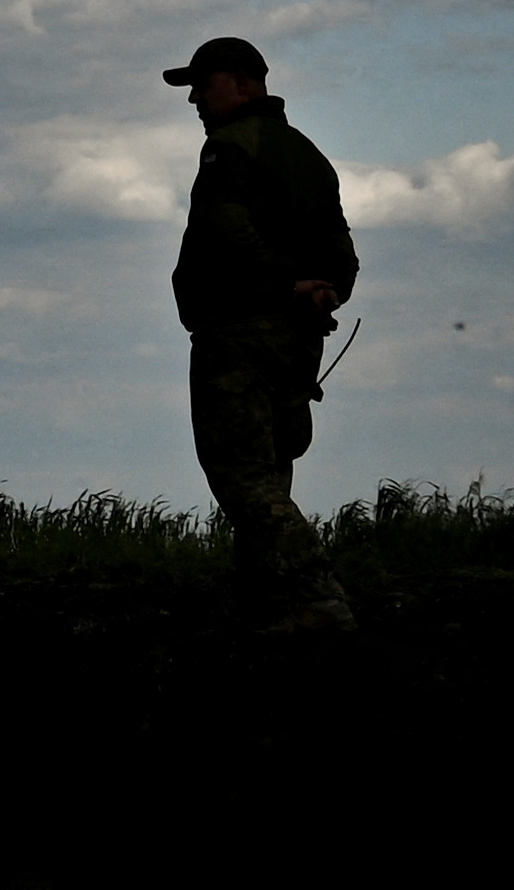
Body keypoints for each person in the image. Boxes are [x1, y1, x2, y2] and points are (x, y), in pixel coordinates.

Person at [165, 35, 359, 632]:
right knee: (271, 468)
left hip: (240, 333)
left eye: (204, 84)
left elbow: (228, 236)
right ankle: (268, 605)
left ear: (243, 83)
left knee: (240, 473)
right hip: (297, 342)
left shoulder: (229, 148)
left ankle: (316, 596)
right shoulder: (307, 154)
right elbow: (342, 255)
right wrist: (322, 288)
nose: (194, 97)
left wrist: (286, 287)